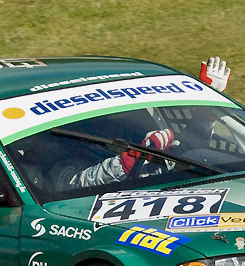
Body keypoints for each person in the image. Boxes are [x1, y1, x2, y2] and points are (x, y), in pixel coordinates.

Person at [63, 56, 231, 188]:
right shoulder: (62, 151)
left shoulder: (144, 132)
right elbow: (72, 182)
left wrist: (205, 110)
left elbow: (189, 148)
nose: (120, 122)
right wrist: (134, 157)